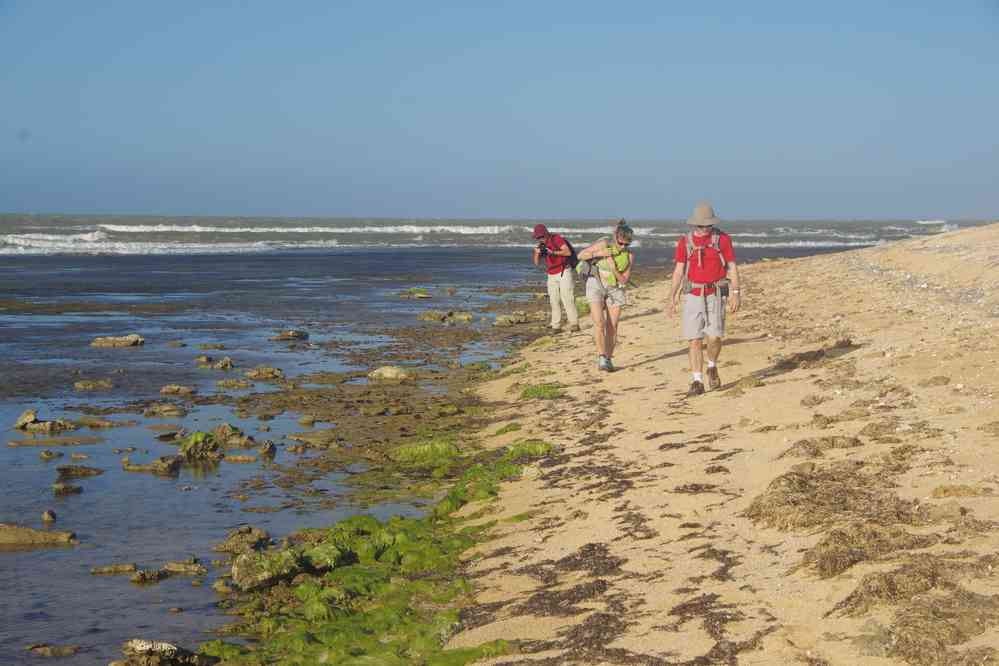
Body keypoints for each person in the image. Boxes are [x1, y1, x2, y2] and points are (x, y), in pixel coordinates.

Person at [669, 202, 741, 396]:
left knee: (715, 337)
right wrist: (672, 296)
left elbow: (732, 267)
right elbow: (678, 270)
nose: (704, 229)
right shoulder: (684, 242)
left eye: (707, 225)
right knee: (694, 340)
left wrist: (736, 293)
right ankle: (697, 380)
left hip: (716, 294)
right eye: (701, 226)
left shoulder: (722, 239)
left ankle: (712, 365)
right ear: (694, 225)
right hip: (693, 294)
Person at [577, 220, 635, 371]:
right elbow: (581, 255)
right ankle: (601, 357)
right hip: (595, 283)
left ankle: (608, 359)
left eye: (627, 245)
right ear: (615, 237)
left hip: (615, 289)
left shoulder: (629, 256)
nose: (623, 247)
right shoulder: (604, 244)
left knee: (613, 326)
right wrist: (599, 254)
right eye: (620, 243)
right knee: (599, 323)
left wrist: (613, 268)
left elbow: (624, 280)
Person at [532, 223, 580, 332]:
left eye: (541, 236)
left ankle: (574, 323)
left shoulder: (557, 239)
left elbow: (567, 252)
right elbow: (536, 263)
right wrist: (536, 253)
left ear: (546, 233)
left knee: (567, 298)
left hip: (564, 271)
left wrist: (552, 252)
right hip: (551, 274)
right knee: (554, 300)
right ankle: (556, 325)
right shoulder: (541, 246)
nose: (540, 239)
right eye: (538, 238)